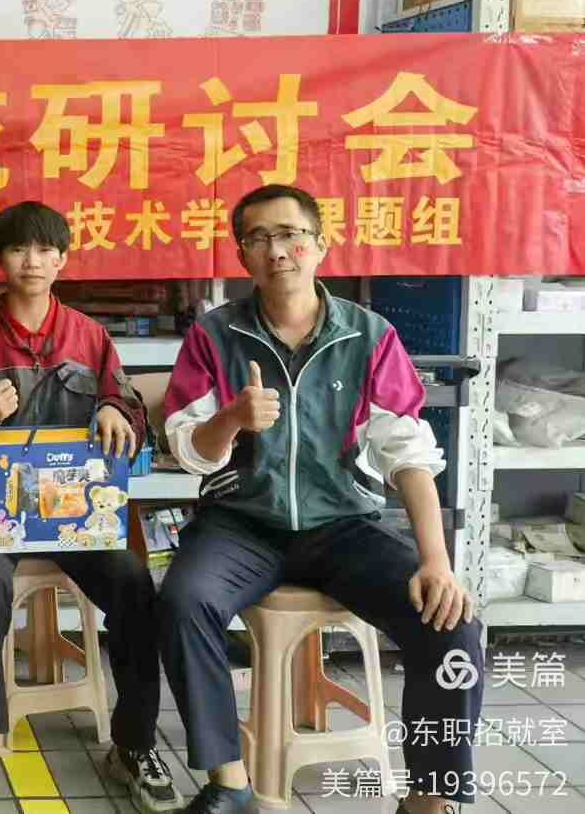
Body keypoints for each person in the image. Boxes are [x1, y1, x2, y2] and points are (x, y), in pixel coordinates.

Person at [158, 184, 481, 814]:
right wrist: (232, 419)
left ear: (320, 244)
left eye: (289, 235)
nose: (276, 250)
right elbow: (190, 450)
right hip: (240, 524)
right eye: (258, 239)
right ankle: (229, 781)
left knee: (453, 624)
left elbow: (409, 455)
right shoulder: (214, 335)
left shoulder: (369, 335)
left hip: (344, 527)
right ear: (243, 256)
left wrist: (436, 560)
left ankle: (429, 798)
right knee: (182, 602)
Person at [0, 201, 182, 814]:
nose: (32, 261)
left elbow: (131, 409)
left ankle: (134, 740)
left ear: (63, 260)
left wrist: (115, 410)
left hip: (77, 516)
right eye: (19, 249)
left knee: (133, 584)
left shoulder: (90, 336)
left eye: (46, 249)